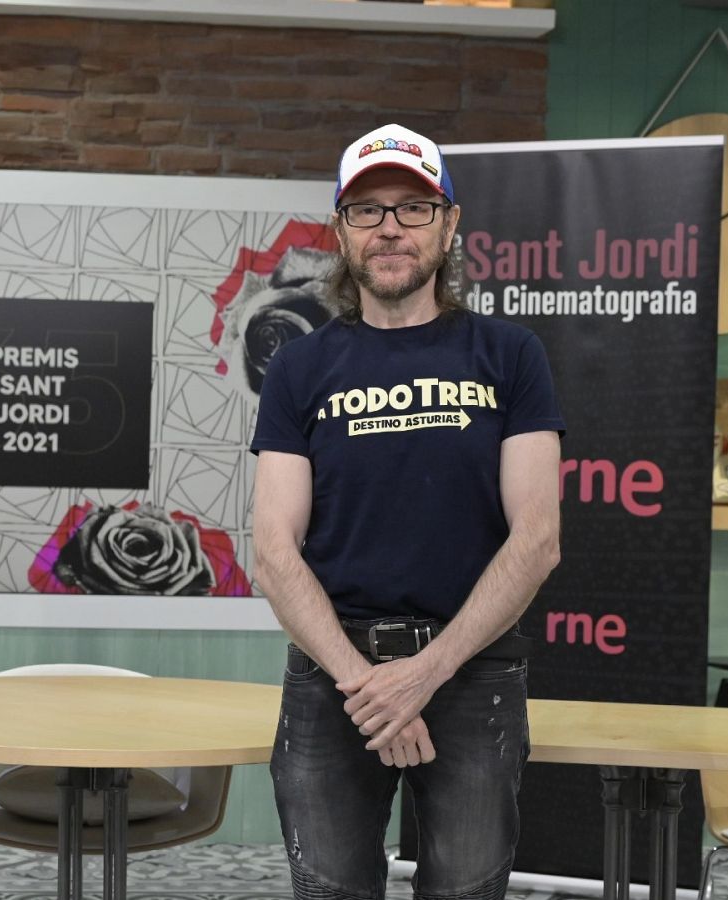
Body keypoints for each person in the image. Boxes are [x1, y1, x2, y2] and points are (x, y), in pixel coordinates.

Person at [250, 123, 563, 900]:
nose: (390, 226)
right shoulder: (299, 367)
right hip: (334, 681)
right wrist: (370, 684)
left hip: (472, 673)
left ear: (449, 224)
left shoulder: (510, 355)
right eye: (367, 209)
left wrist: (424, 674)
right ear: (342, 231)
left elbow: (538, 539)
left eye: (414, 207)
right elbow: (273, 551)